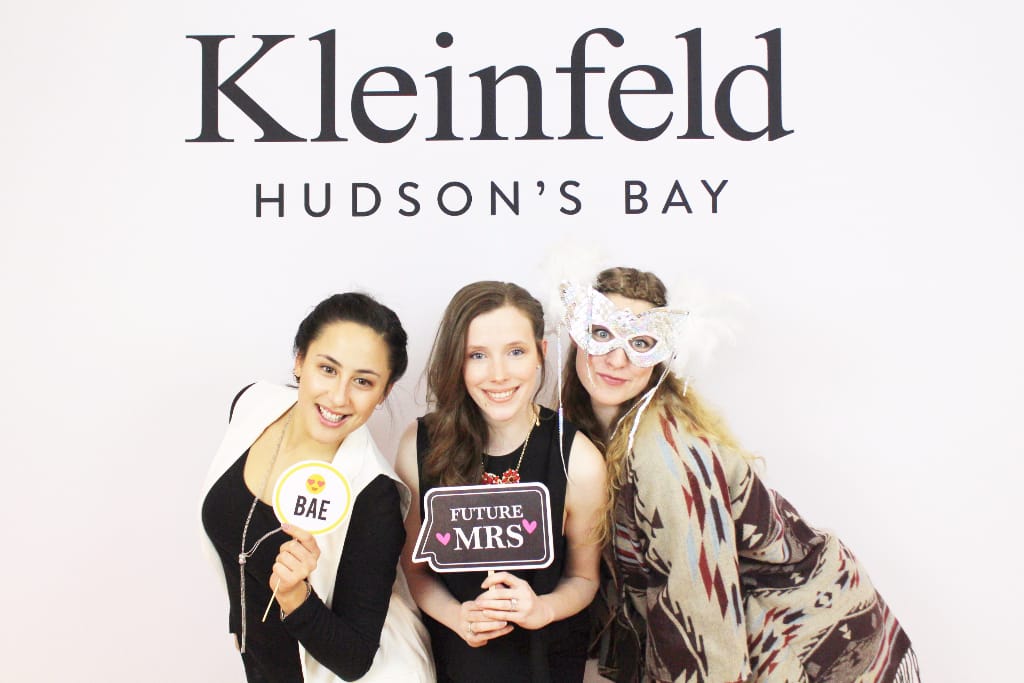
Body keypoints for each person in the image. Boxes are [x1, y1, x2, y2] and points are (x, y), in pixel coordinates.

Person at [560, 267, 920, 683]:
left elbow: (700, 607)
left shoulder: (664, 457)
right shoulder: (596, 432)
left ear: (660, 356)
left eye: (641, 343)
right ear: (576, 336)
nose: (617, 358)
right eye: (601, 333)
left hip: (807, 640)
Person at [200, 293, 434, 683]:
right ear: (299, 360)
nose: (339, 397)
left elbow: (354, 659)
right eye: (328, 369)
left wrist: (296, 595)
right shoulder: (251, 405)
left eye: (363, 381)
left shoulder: (374, 497)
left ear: (384, 392)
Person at [395, 281, 607, 683]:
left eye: (515, 352)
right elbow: (416, 572)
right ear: (456, 361)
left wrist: (542, 609)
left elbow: (584, 578)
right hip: (452, 665)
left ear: (541, 353)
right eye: (477, 355)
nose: (498, 374)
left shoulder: (578, 459)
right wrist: (457, 616)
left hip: (544, 667)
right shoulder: (418, 446)